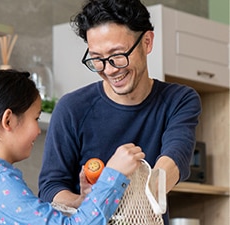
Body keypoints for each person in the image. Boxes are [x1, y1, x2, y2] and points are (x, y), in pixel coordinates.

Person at [38, 0, 201, 224]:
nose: (109, 69)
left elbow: (175, 158)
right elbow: (50, 187)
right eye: (97, 59)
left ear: (147, 42)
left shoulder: (179, 100)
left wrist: (149, 189)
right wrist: (87, 200)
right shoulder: (71, 108)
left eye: (118, 55)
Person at [0, 69, 145, 225]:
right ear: (8, 120)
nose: (38, 130)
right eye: (35, 118)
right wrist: (114, 175)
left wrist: (83, 201)